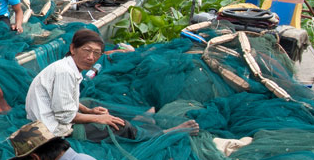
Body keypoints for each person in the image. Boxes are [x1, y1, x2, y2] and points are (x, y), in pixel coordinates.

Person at [25, 28, 198, 141]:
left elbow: (66, 100)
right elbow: (65, 117)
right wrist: (98, 118)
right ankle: (162, 134)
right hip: (52, 130)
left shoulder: (68, 67)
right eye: (87, 51)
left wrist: (89, 111)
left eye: (96, 53)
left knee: (95, 106)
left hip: (52, 117)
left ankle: (139, 121)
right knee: (119, 127)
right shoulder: (65, 72)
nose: (91, 57)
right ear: (72, 49)